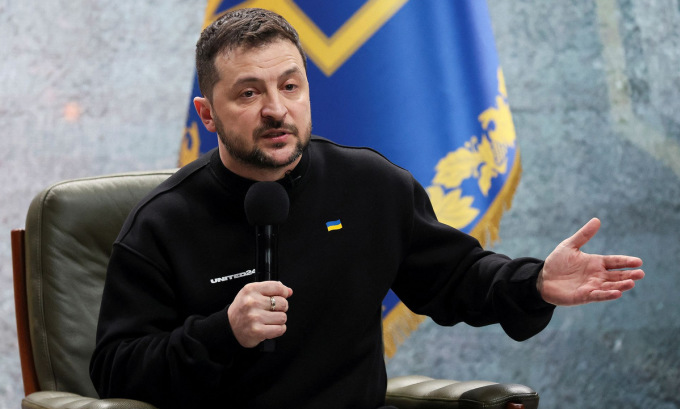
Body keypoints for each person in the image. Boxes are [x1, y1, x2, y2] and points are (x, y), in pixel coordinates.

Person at [89, 8, 644, 409]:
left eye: (290, 86)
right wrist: (223, 331)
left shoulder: (369, 185)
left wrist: (537, 282)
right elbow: (115, 372)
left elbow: (459, 277)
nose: (276, 109)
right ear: (207, 114)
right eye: (249, 93)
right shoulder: (161, 222)